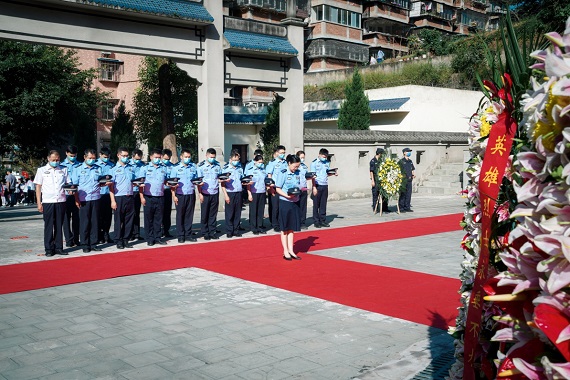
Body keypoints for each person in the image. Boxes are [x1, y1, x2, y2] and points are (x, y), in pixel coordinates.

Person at [34, 150, 69, 257]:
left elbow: (68, 183)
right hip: (48, 201)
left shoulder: (63, 169)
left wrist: (71, 190)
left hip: (61, 201)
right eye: (53, 160)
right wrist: (39, 203)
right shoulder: (42, 170)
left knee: (59, 224)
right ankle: (49, 248)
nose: (55, 162)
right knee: (49, 225)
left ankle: (58, 247)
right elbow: (38, 187)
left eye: (57, 160)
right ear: (48, 158)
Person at [71, 148, 106, 253]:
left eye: (94, 158)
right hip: (83, 199)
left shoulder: (98, 168)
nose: (92, 160)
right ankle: (85, 244)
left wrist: (104, 183)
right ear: (85, 157)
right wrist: (76, 199)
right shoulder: (78, 169)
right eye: (90, 158)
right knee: (85, 222)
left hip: (95, 198)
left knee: (95, 221)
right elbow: (74, 186)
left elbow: (100, 181)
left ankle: (94, 243)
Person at [139, 148, 170, 246]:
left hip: (160, 196)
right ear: (151, 157)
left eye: (159, 157)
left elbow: (166, 181)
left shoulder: (163, 168)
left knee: (158, 218)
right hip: (149, 196)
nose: (157, 159)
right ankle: (150, 238)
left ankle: (158, 237)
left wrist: (171, 183)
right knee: (149, 218)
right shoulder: (144, 168)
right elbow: (140, 183)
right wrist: (142, 197)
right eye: (155, 157)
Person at [275, 154, 302, 261]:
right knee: (284, 228)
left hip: (295, 202)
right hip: (285, 202)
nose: (296, 168)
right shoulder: (283, 173)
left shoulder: (298, 173)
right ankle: (285, 251)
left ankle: (291, 250)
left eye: (298, 166)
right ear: (289, 163)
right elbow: (277, 188)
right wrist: (286, 195)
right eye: (295, 166)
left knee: (292, 228)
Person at [109, 147, 136, 249]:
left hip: (129, 197)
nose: (125, 157)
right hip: (118, 197)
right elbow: (110, 187)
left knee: (129, 219)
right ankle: (118, 240)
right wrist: (113, 201)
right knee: (118, 220)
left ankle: (126, 239)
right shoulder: (114, 169)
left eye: (126, 156)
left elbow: (133, 181)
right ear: (118, 155)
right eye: (123, 156)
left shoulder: (130, 168)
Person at [171, 148, 198, 243]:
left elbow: (196, 179)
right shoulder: (175, 168)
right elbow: (172, 184)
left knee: (189, 215)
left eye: (189, 157)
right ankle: (181, 235)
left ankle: (188, 234)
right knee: (180, 215)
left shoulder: (193, 167)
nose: (187, 158)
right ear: (181, 157)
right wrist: (174, 195)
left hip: (190, 193)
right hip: (180, 194)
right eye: (185, 157)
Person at [197, 148, 222, 240]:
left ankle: (212, 231)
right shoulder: (201, 167)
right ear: (206, 156)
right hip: (205, 193)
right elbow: (198, 182)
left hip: (215, 192)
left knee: (213, 214)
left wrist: (223, 179)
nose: (212, 159)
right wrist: (200, 194)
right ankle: (205, 232)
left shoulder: (217, 166)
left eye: (214, 157)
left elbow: (219, 178)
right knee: (205, 214)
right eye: (211, 157)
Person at [311, 148, 338, 228]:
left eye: (326, 157)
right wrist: (314, 187)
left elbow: (327, 173)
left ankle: (322, 220)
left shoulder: (327, 163)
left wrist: (333, 173)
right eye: (323, 156)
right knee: (316, 204)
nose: (325, 158)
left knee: (323, 204)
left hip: (325, 185)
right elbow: (312, 176)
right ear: (319, 154)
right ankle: (316, 221)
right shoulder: (314, 163)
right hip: (317, 185)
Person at [61, 145, 82, 247]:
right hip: (66, 196)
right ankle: (69, 240)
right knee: (66, 219)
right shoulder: (61, 166)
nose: (72, 157)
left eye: (74, 155)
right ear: (66, 153)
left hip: (77, 195)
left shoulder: (80, 165)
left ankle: (76, 238)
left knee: (77, 218)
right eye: (70, 155)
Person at [221, 150, 244, 238]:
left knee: (237, 212)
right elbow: (222, 183)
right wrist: (225, 195)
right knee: (229, 213)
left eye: (237, 160)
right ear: (230, 159)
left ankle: (236, 230)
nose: (236, 161)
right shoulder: (226, 169)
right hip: (230, 193)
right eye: (234, 159)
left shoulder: (240, 168)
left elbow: (242, 179)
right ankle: (229, 230)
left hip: (238, 192)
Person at [266, 145, 287, 232]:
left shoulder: (285, 163)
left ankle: (280, 222)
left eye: (284, 153)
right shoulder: (273, 163)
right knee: (275, 207)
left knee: (282, 206)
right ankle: (275, 224)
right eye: (281, 153)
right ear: (277, 153)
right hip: (274, 187)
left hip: (282, 188)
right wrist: (270, 187)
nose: (283, 154)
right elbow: (269, 175)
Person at [245, 154, 267, 235]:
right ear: (255, 162)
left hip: (262, 192)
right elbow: (248, 184)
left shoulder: (263, 170)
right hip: (254, 192)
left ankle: (260, 226)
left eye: (262, 162)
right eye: (259, 162)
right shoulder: (250, 170)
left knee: (261, 210)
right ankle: (254, 227)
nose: (260, 164)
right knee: (254, 210)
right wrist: (249, 194)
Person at [97, 147, 115, 244]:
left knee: (108, 216)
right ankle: (99, 235)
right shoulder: (95, 165)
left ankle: (106, 234)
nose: (106, 158)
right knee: (99, 217)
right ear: (100, 155)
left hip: (108, 194)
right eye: (104, 157)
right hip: (98, 194)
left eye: (108, 157)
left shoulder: (112, 165)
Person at [129, 149, 145, 241]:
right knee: (130, 214)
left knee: (137, 213)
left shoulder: (142, 165)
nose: (137, 160)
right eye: (136, 159)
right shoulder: (128, 165)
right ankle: (130, 233)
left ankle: (137, 233)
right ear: (132, 156)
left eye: (139, 158)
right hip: (130, 191)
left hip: (139, 191)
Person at [370, 148, 389, 213]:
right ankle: (375, 208)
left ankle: (385, 207)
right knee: (375, 194)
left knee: (384, 194)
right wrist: (372, 180)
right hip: (376, 179)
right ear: (379, 154)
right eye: (382, 154)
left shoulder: (382, 161)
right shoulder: (373, 161)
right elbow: (371, 171)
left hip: (382, 180)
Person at [296, 150, 312, 229]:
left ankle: (302, 222)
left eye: (303, 157)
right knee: (296, 206)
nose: (302, 159)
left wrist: (311, 176)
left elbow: (306, 176)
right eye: (301, 157)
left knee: (303, 206)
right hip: (296, 189)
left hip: (304, 188)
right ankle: (296, 222)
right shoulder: (295, 166)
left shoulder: (304, 166)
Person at [161, 148, 175, 238]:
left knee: (167, 211)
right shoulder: (158, 165)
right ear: (161, 156)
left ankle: (166, 230)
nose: (166, 160)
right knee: (159, 212)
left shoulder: (172, 166)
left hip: (168, 191)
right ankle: (158, 230)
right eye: (165, 158)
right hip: (159, 191)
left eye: (168, 159)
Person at [399, 148, 416, 212]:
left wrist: (413, 174)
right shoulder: (401, 161)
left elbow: (412, 169)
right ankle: (401, 207)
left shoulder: (410, 161)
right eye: (408, 151)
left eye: (410, 151)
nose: (409, 153)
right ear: (404, 153)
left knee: (408, 194)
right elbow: (398, 170)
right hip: (403, 180)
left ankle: (407, 207)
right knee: (403, 194)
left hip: (409, 180)